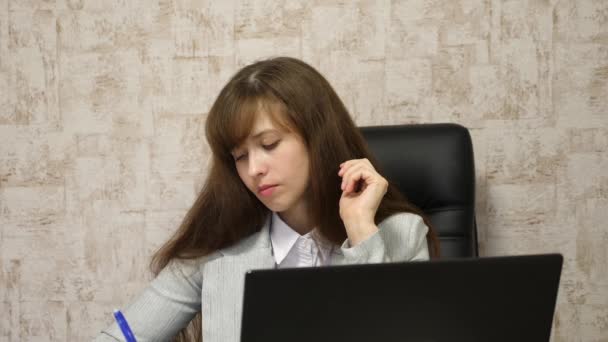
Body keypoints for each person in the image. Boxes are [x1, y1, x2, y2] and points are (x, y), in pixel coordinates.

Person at [94, 56, 439, 342]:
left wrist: (362, 230)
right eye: (239, 156)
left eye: (269, 144)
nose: (254, 169)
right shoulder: (214, 253)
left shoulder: (403, 237)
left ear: (317, 138)